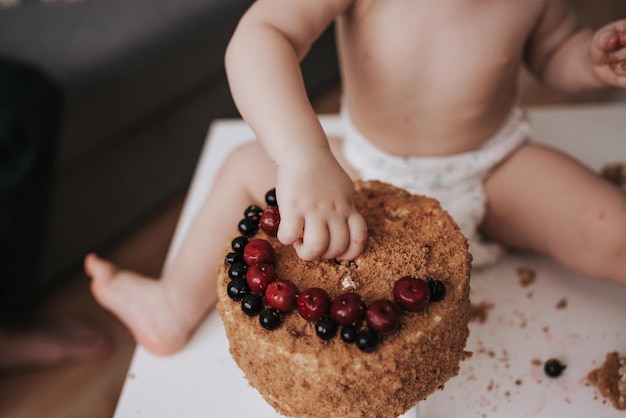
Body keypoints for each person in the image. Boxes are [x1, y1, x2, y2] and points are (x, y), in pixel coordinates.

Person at [85, 0, 626, 356]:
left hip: (493, 170)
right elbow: (261, 36)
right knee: (244, 166)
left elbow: (554, 50)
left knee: (611, 230)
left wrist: (586, 59)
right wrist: (303, 156)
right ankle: (173, 303)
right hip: (365, 174)